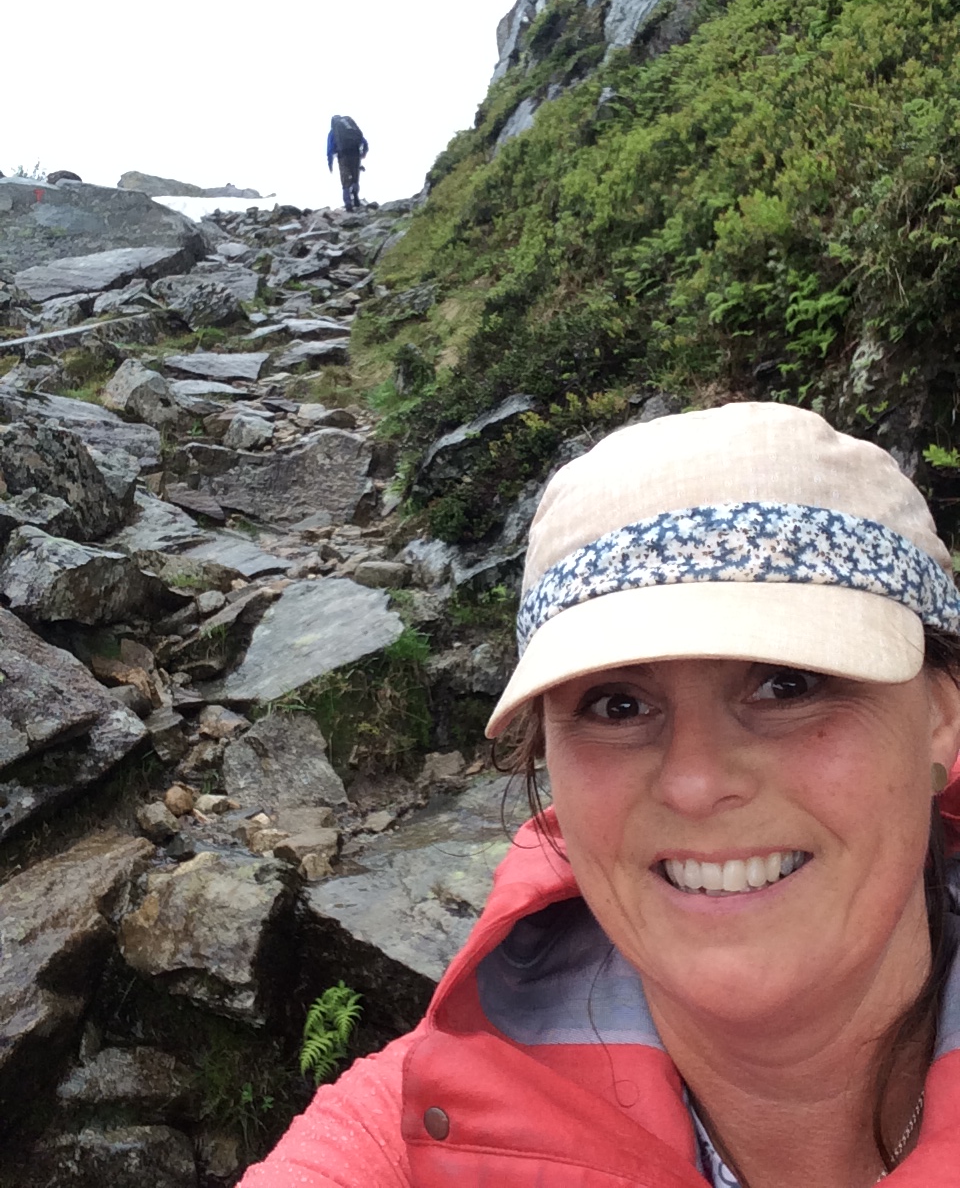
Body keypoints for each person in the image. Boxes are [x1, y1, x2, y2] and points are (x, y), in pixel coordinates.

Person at [240, 401, 960, 1187]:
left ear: (941, 718)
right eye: (618, 705)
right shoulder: (413, 1129)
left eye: (788, 685)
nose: (694, 783)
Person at [327, 115, 368, 211]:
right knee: (355, 178)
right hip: (355, 154)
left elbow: (330, 149)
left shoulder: (333, 132)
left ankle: (348, 204)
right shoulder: (351, 129)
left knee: (345, 181)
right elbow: (364, 141)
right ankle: (355, 195)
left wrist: (330, 163)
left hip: (343, 156)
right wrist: (363, 153)